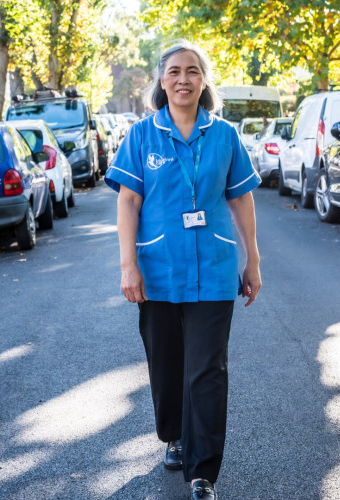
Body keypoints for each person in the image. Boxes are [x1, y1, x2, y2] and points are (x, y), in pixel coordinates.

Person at [105, 40, 261, 500]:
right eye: (174, 71)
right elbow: (128, 201)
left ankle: (202, 472)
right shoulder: (140, 135)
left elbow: (241, 198)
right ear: (161, 79)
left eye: (192, 71)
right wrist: (128, 265)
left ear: (204, 80)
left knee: (207, 370)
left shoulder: (225, 136)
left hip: (212, 269)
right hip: (157, 271)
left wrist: (253, 258)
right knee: (168, 365)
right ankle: (174, 435)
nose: (183, 80)